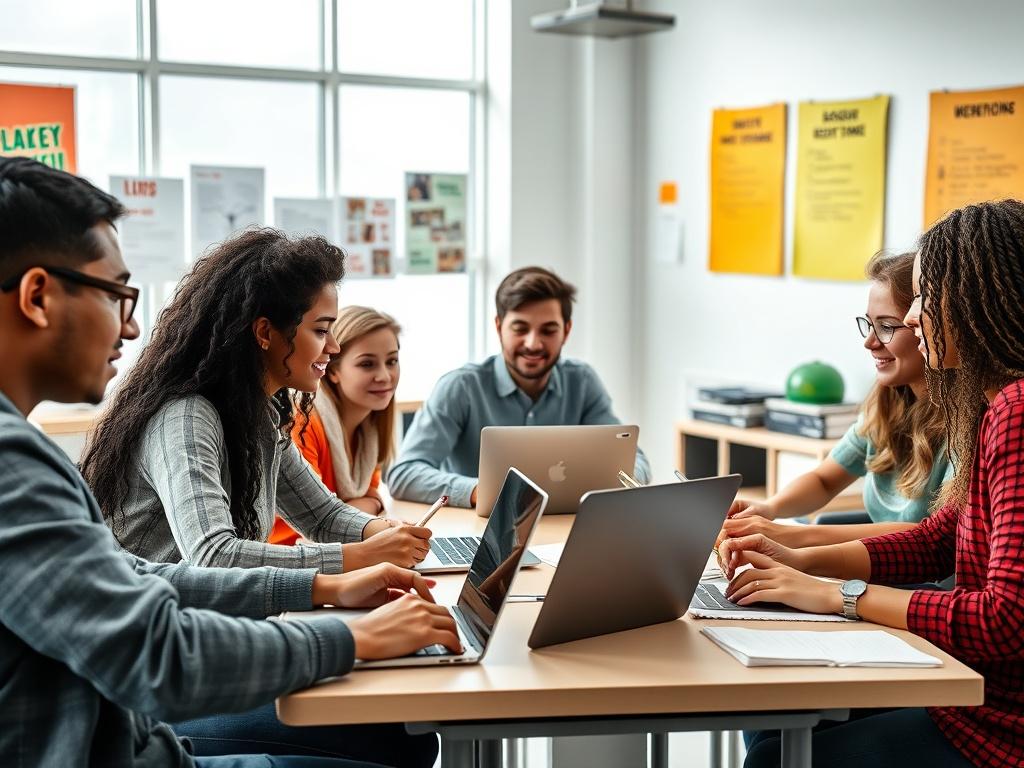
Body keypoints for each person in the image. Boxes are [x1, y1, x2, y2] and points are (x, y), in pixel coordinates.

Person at [0, 156, 459, 767]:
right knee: (395, 740)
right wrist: (352, 633)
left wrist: (328, 587)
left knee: (401, 736)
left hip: (141, 734)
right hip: (145, 732)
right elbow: (159, 651)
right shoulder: (18, 464)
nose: (131, 327)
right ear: (37, 296)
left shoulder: (256, 415)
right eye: (117, 296)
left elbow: (140, 575)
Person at [721, 199, 1024, 768]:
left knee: (774, 755)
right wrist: (793, 560)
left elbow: (1003, 621)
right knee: (770, 731)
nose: (911, 320)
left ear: (975, 305)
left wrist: (837, 595)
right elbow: (936, 538)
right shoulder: (989, 407)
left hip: (996, 729)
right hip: (970, 696)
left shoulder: (1016, 410)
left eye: (925, 302)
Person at [82, 229, 431, 572]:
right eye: (322, 330)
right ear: (265, 332)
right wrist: (364, 555)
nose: (334, 347)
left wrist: (384, 532)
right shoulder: (186, 417)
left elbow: (322, 516)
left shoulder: (259, 413)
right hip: (161, 624)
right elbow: (214, 556)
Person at [721, 252, 952, 549]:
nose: (869, 342)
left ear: (928, 327)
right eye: (868, 324)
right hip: (883, 571)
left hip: (925, 585)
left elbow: (929, 538)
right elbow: (825, 480)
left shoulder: (966, 423)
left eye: (886, 326)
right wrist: (770, 508)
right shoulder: (886, 404)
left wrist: (792, 538)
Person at [387, 266, 651, 508]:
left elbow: (635, 463)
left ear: (566, 331)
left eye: (548, 330)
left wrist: (612, 486)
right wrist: (481, 491)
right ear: (499, 327)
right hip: (479, 534)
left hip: (563, 530)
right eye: (520, 329)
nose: (533, 343)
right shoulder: (461, 387)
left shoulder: (581, 381)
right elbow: (404, 474)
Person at [271, 307, 401, 546]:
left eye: (392, 361)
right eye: (367, 364)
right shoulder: (301, 424)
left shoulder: (369, 429)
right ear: (332, 371)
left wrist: (363, 506)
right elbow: (310, 524)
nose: (385, 375)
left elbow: (370, 496)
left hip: (335, 556)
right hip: (290, 560)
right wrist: (361, 510)